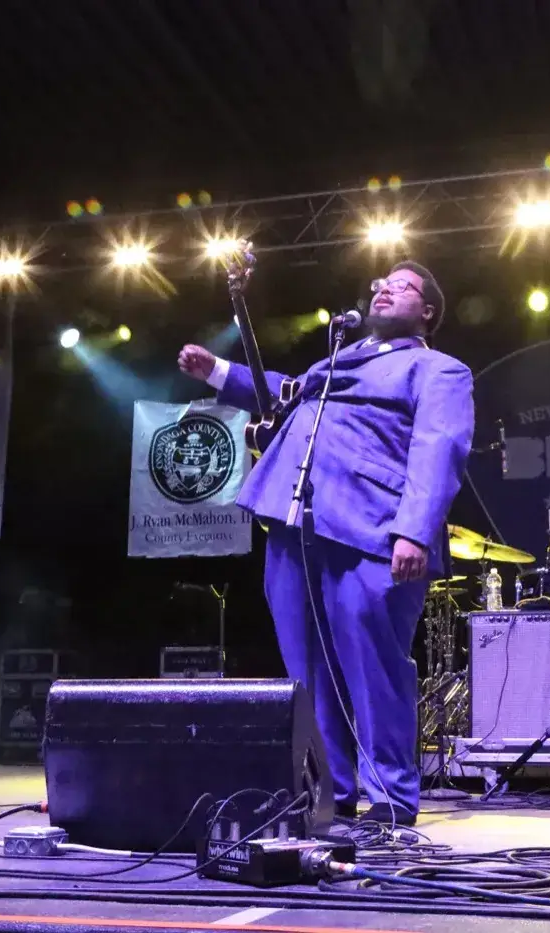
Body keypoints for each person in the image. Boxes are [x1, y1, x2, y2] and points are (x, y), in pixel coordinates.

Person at [178, 260, 474, 826]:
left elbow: (440, 447)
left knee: (373, 667)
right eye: (381, 282)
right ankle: (329, 795)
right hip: (296, 523)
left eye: (403, 286)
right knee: (307, 672)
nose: (385, 288)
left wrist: (413, 528)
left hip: (373, 529)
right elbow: (284, 391)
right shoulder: (336, 359)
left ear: (428, 312)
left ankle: (391, 801)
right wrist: (217, 370)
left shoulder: (438, 369)